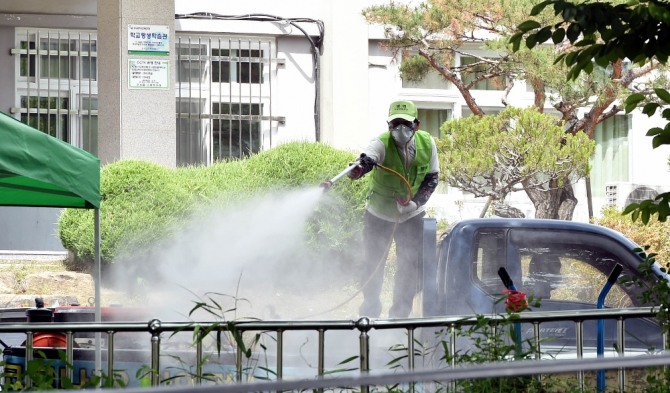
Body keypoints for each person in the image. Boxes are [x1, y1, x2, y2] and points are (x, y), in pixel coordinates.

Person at [347, 100, 440, 318]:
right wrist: (357, 169)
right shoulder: (381, 143)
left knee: (410, 267)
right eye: (395, 124)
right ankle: (369, 316)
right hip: (378, 216)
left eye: (405, 123)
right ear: (389, 125)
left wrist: (414, 205)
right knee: (372, 266)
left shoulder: (428, 143)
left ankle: (399, 317)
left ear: (416, 125)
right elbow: (366, 159)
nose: (400, 129)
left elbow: (432, 178)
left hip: (412, 216)